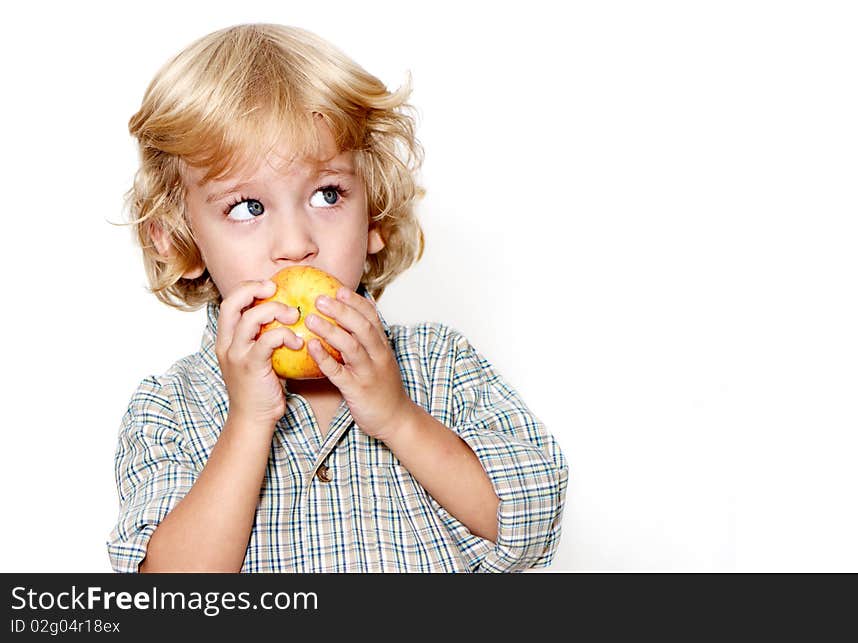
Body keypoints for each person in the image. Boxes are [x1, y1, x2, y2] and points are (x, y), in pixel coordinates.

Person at [107, 23, 568, 573]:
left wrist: (397, 418)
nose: (297, 244)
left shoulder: (440, 366)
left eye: (328, 195)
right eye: (247, 207)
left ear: (373, 213)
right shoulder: (169, 408)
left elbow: (532, 524)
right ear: (180, 240)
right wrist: (248, 425)